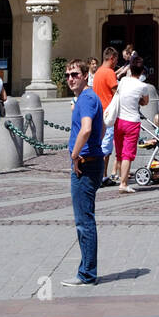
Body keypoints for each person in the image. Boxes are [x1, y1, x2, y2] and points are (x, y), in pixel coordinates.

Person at [62, 57, 105, 286]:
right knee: (85, 218)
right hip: (92, 160)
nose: (70, 79)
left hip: (85, 164)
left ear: (86, 75)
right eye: (68, 75)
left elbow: (87, 129)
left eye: (75, 74)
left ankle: (87, 273)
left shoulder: (86, 98)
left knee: (84, 221)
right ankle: (87, 270)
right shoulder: (87, 98)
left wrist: (75, 154)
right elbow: (103, 125)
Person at [114, 53, 149, 194]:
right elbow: (145, 102)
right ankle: (123, 182)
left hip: (119, 120)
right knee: (128, 154)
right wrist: (138, 100)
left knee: (120, 152)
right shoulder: (142, 86)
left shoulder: (123, 81)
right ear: (141, 72)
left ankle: (117, 175)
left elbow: (119, 94)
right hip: (132, 121)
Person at [92, 47, 120, 184]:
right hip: (108, 113)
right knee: (106, 147)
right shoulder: (109, 73)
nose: (116, 63)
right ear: (112, 58)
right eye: (116, 60)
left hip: (99, 112)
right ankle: (101, 176)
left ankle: (101, 175)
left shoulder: (98, 72)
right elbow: (116, 93)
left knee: (101, 144)